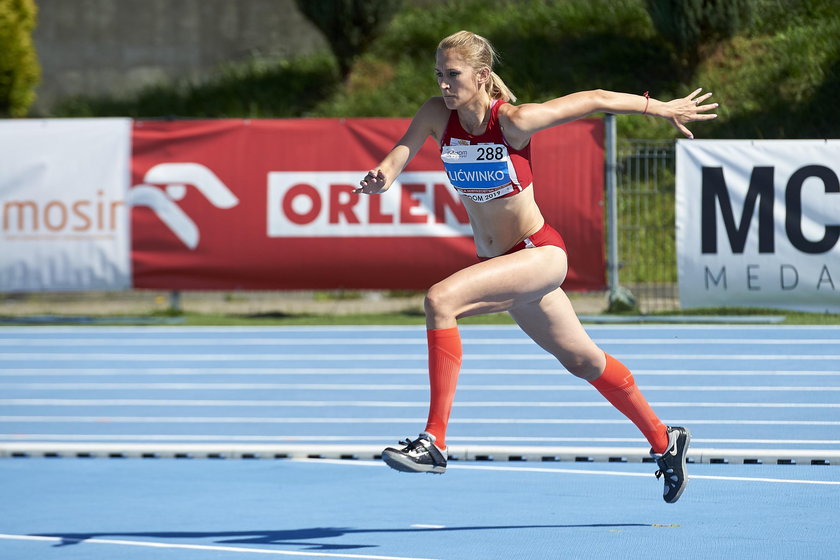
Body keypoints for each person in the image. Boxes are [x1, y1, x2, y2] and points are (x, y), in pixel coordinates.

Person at [355, 30, 717, 504]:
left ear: (482, 76)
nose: (444, 84)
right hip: (502, 263)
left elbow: (593, 99)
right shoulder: (435, 114)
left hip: (538, 254)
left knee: (439, 300)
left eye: (454, 75)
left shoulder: (514, 121)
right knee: (584, 361)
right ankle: (664, 439)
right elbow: (401, 152)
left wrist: (660, 107)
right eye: (439, 75)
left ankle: (434, 440)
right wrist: (382, 176)